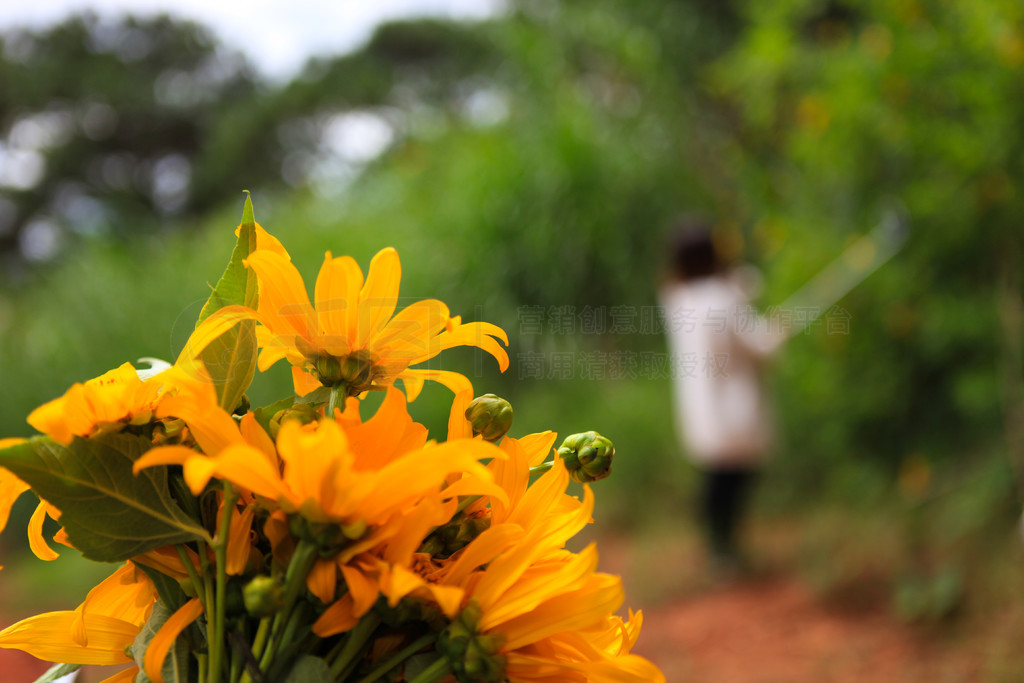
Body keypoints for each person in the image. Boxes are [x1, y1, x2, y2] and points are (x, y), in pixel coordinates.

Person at [659, 218, 785, 576]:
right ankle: (726, 549)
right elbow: (759, 347)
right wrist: (778, 329)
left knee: (714, 480)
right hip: (736, 406)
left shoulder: (677, 298)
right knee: (734, 482)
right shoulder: (726, 299)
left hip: (702, 408)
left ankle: (718, 549)